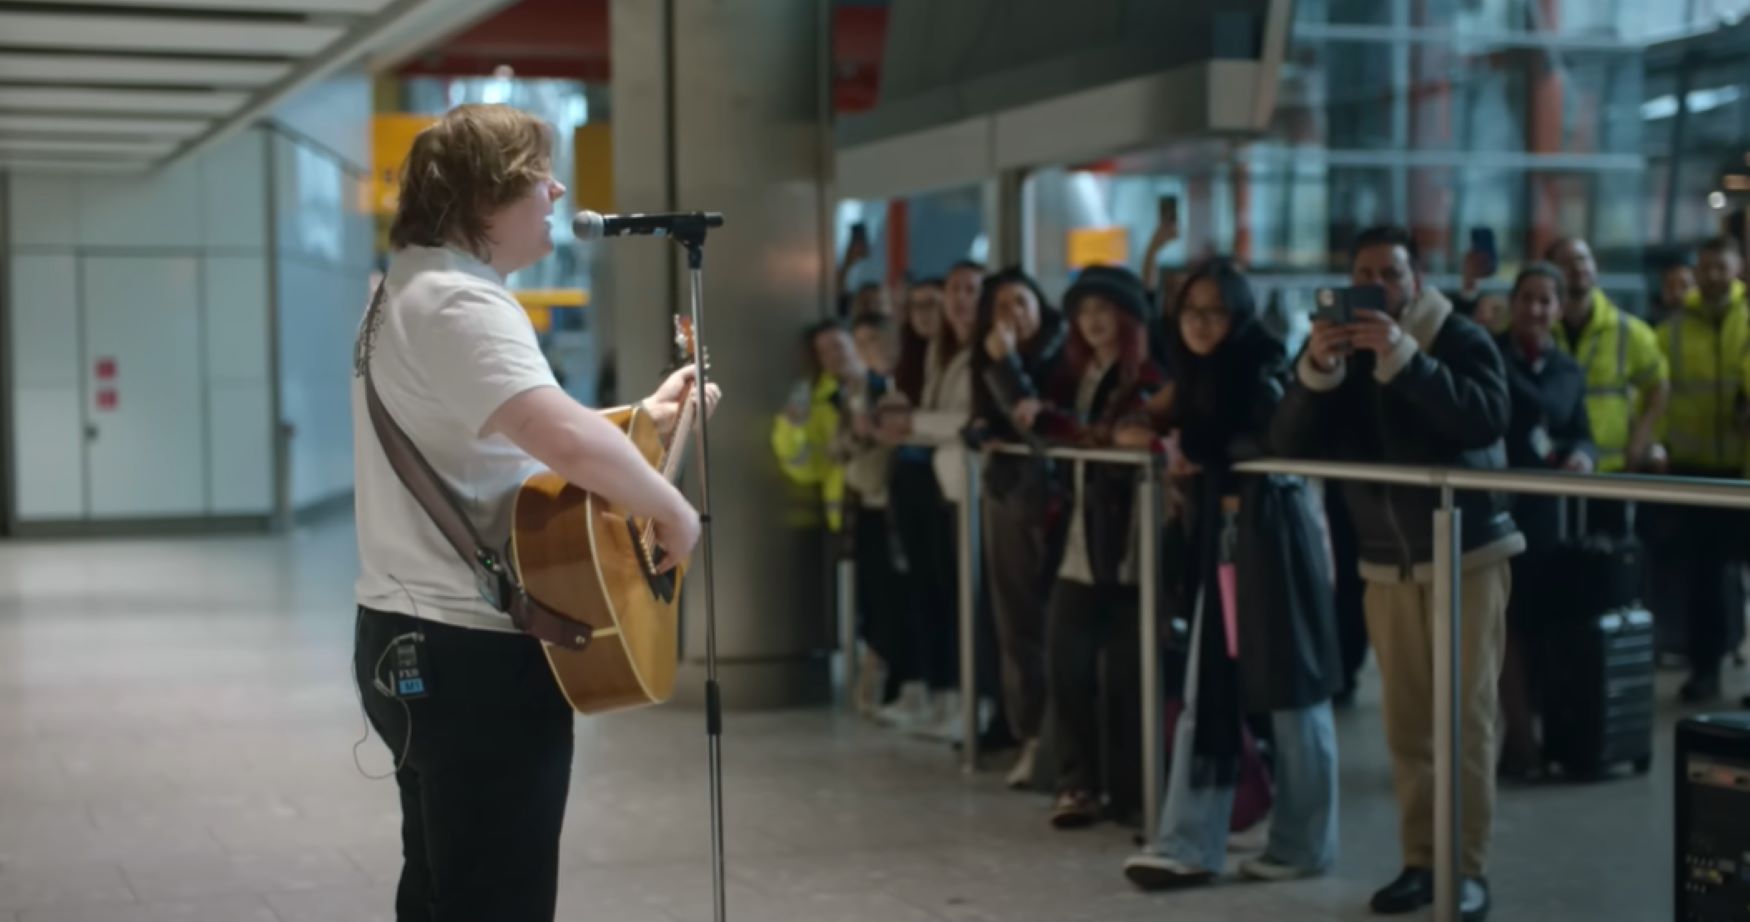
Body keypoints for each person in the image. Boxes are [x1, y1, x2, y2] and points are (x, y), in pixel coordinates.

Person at [350, 104, 718, 922]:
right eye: (534, 176)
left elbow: (513, 437)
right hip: (471, 658)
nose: (556, 189)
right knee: (496, 899)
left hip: (406, 635)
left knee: (443, 887)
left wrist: (646, 419)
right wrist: (673, 510)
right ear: (481, 197)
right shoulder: (460, 303)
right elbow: (557, 438)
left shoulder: (409, 290)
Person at [1272, 225, 1522, 922]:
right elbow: (1287, 443)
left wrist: (1405, 358)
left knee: (1465, 718)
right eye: (1365, 272)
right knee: (1406, 723)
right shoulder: (1340, 351)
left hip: (1467, 550)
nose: (1378, 284)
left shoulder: (1458, 337)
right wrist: (1315, 373)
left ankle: (1467, 868)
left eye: (1391, 272)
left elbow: (1485, 418)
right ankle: (1421, 861)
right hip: (1386, 562)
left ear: (1415, 278)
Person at [1122, 259, 1341, 889]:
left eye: (1215, 310)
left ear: (1238, 314)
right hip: (1224, 540)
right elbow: (1146, 416)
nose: (1200, 323)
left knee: (1295, 696)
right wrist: (1153, 434)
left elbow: (1275, 439)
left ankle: (1303, 843)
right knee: (1205, 689)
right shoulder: (1196, 373)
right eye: (1191, 310)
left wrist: (1196, 448)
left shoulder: (1261, 363)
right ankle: (1189, 841)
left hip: (1272, 535)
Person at [1026, 266, 1165, 829]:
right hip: (1078, 539)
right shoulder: (1074, 374)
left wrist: (1072, 431)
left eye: (1104, 310)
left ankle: (1131, 790)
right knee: (1067, 664)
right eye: (1084, 313)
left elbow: (1137, 434)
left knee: (1127, 675)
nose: (1093, 322)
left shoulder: (1148, 373)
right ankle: (1076, 783)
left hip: (1128, 543)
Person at [1493, 263, 1595, 779]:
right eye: (1527, 298)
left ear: (1558, 308)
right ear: (1512, 302)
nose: (1535, 309)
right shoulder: (1488, 354)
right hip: (1497, 511)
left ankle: (1543, 737)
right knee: (1506, 627)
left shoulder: (1568, 369)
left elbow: (1576, 425)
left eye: (1545, 301)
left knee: (1540, 625)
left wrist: (1581, 455)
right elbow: (1533, 410)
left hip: (1549, 517)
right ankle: (1518, 742)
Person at [970, 266, 1069, 787]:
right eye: (1003, 306)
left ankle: (1054, 743)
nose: (1014, 315)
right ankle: (1029, 735)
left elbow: (1037, 423)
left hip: (1053, 502)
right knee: (1016, 626)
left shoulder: (1060, 351)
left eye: (1022, 302)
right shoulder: (985, 357)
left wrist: (1005, 363)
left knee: (1053, 626)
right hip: (1009, 497)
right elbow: (990, 415)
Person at [878, 277, 976, 737]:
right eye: (916, 305)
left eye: (933, 303)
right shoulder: (927, 357)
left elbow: (966, 423)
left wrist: (911, 423)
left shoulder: (965, 355)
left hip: (953, 488)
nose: (926, 313)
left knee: (952, 595)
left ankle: (960, 696)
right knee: (925, 592)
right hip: (925, 483)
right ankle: (939, 693)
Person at [1653, 235, 1748, 703]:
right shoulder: (1671, 330)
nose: (1713, 275)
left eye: (1721, 267)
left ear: (1738, 268)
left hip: (1745, 471)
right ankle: (1705, 670)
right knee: (1703, 582)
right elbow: (1657, 392)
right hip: (1695, 473)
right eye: (1706, 267)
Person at [1543, 238, 1669, 536]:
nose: (1577, 268)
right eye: (1567, 262)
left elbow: (1659, 385)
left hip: (1609, 470)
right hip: (1548, 469)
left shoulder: (1628, 329)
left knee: (1604, 567)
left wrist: (1641, 438)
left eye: (1583, 260)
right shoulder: (1537, 324)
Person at [837, 314, 907, 716]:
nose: (866, 349)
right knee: (872, 595)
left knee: (893, 597)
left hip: (892, 497)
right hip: (865, 497)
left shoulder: (894, 383)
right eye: (859, 341)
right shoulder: (859, 387)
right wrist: (858, 434)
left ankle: (895, 680)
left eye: (873, 340)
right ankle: (879, 677)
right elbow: (841, 443)